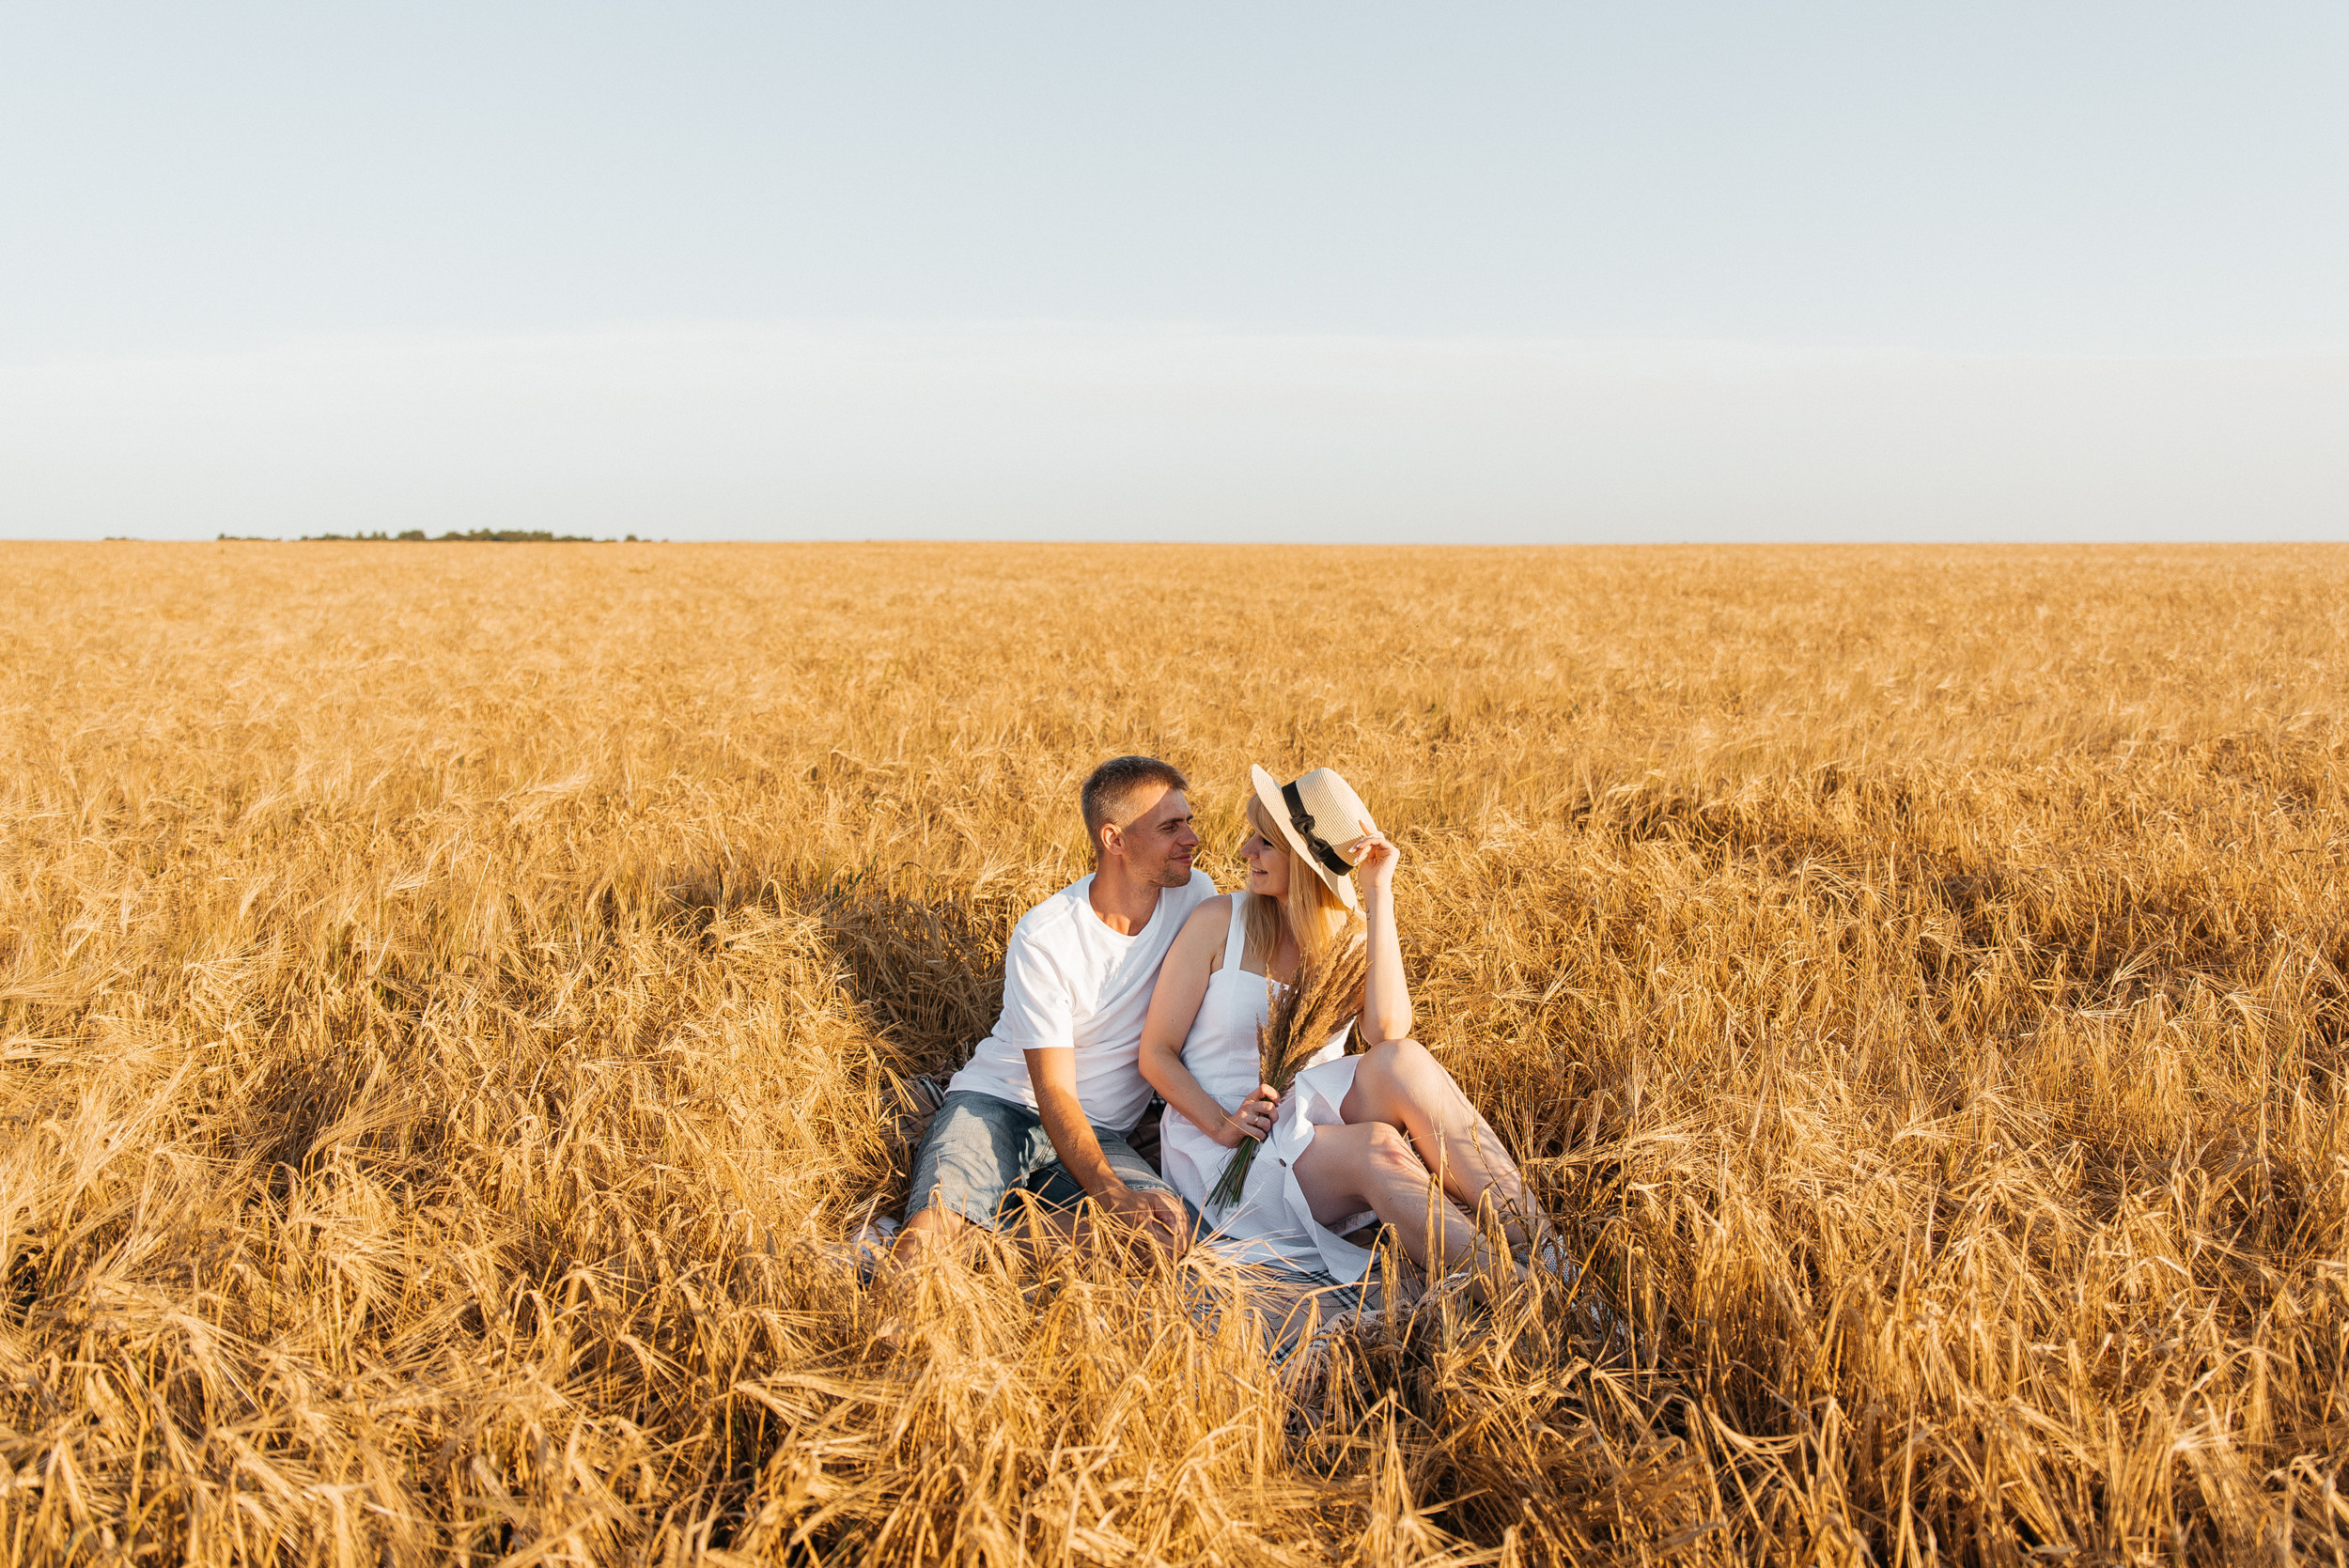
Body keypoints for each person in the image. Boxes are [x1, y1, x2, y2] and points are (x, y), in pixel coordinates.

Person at [1138, 765, 1552, 1293]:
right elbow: (1156, 1052)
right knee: (1379, 1148)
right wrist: (1222, 1124)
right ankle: (1520, 1293)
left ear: (1307, 863)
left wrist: (1378, 894)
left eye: (1265, 842)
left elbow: (1387, 1031)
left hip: (1306, 1121)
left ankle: (1546, 1249)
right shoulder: (1220, 920)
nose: (1245, 851)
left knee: (1403, 1060)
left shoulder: (1348, 938)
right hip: (1222, 1148)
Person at [893, 754, 1215, 1264]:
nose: (1192, 838)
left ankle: (982, 1246)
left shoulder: (1195, 895)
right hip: (1002, 1104)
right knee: (928, 1234)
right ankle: (952, 1243)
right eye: (1170, 827)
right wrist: (1110, 1194)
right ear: (1114, 839)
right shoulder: (1047, 935)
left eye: (1188, 821)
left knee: (1165, 1233)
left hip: (1102, 1130)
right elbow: (1054, 1091)